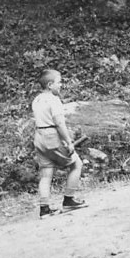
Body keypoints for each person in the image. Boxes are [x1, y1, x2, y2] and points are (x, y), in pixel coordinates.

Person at [32, 68, 88, 217]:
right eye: (59, 82)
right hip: (52, 136)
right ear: (50, 85)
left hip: (39, 137)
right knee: (76, 164)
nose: (61, 85)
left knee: (46, 174)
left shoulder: (37, 99)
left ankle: (44, 209)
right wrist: (68, 142)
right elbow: (59, 123)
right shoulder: (53, 100)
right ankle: (69, 200)